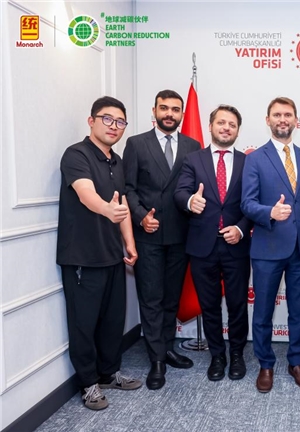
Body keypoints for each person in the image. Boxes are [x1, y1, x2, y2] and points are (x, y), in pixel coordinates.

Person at [57, 96, 142, 411]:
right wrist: (107, 209)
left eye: (120, 122)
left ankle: (109, 373)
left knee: (112, 320)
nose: (114, 126)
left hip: (112, 255)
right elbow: (85, 193)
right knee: (84, 324)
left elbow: (124, 206)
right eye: (107, 119)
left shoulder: (116, 161)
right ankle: (88, 384)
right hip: (83, 257)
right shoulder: (76, 154)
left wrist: (129, 243)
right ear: (91, 121)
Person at [241, 97, 300, 393]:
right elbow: (247, 203)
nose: (282, 119)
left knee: (299, 312)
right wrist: (270, 213)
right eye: (277, 114)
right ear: (268, 120)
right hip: (268, 248)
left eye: (288, 114)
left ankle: (296, 362)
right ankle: (265, 364)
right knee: (263, 312)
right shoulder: (255, 158)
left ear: (296, 120)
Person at [123, 90, 201, 390]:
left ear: (181, 114)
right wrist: (141, 215)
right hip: (149, 235)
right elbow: (128, 188)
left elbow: (193, 189)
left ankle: (167, 348)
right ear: (154, 111)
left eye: (175, 109)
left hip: (181, 235)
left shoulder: (192, 145)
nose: (170, 113)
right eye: (164, 108)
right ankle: (156, 359)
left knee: (171, 298)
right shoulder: (136, 144)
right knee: (151, 298)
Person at [174, 105, 252, 382]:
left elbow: (253, 203)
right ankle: (217, 356)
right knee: (209, 306)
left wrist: (241, 229)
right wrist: (189, 201)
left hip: (236, 245)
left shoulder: (247, 162)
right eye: (221, 122)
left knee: (237, 305)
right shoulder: (192, 160)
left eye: (232, 124)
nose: (226, 127)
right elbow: (180, 192)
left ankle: (237, 355)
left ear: (238, 130)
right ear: (210, 126)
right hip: (202, 245)